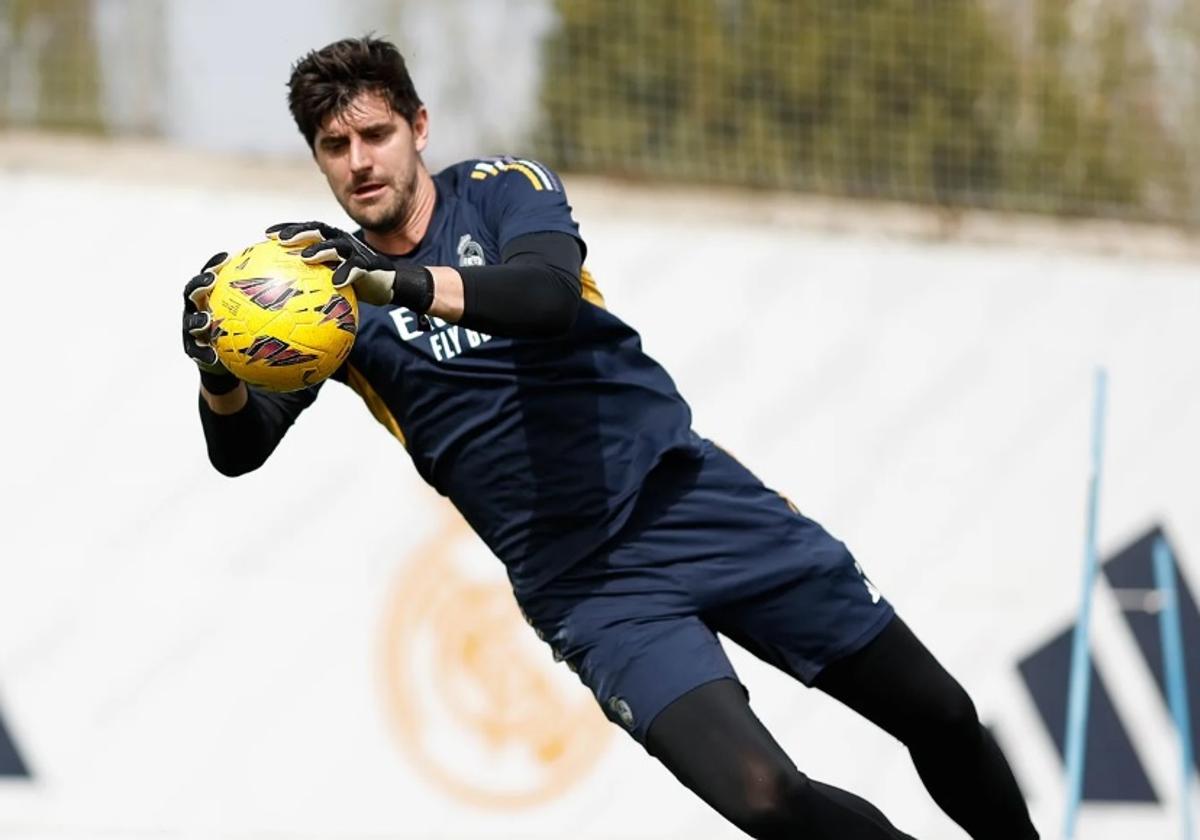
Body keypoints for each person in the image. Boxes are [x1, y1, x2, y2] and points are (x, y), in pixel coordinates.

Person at [181, 36, 1039, 840]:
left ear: (419, 128)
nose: (360, 161)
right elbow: (239, 451)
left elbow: (546, 298)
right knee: (767, 800)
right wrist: (218, 369)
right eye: (336, 147)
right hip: (588, 588)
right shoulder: (324, 304)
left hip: (691, 500)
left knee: (937, 712)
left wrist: (392, 281)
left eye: (375, 133)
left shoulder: (499, 190)